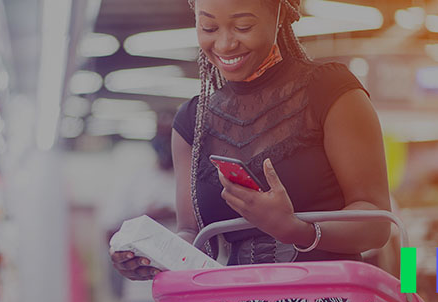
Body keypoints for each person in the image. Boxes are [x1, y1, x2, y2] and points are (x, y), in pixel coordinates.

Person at [111, 0, 392, 280]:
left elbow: (376, 223)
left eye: (243, 26)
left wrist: (295, 229)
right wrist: (156, 255)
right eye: (208, 27)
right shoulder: (192, 121)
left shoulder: (331, 92)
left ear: (279, 14)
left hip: (328, 300)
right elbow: (192, 234)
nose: (224, 44)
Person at [101, 111, 177, 302]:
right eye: (160, 134)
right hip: (144, 295)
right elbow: (110, 232)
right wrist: (146, 220)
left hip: (186, 293)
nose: (164, 142)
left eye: (170, 135)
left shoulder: (194, 182)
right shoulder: (136, 180)